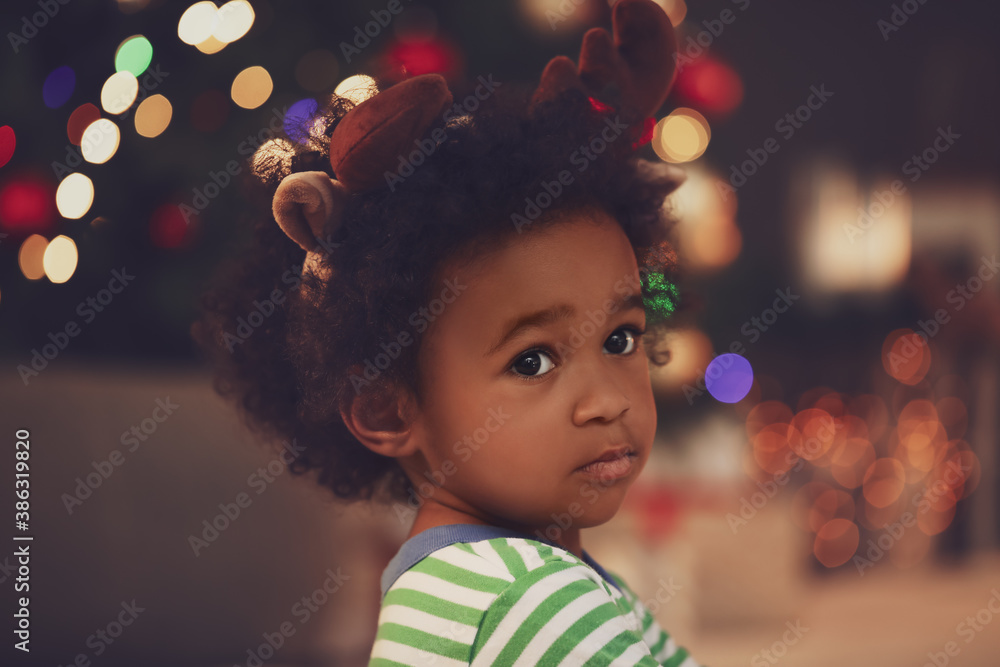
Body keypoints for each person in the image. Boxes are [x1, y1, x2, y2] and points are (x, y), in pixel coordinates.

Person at [192, 1, 702, 663]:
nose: (609, 399)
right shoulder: (541, 600)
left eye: (620, 339)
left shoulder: (448, 584)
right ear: (386, 405)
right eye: (533, 360)